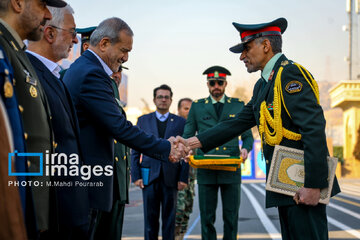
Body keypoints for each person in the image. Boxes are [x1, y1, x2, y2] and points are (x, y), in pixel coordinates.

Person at [184, 18, 341, 240]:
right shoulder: (263, 84)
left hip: (303, 184)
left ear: (266, 46)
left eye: (246, 48)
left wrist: (314, 186)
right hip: (287, 184)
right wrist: (192, 143)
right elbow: (238, 123)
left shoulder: (290, 75)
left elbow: (313, 130)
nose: (241, 56)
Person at [62, 17, 188, 238]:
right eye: (124, 50)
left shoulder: (85, 69)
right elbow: (119, 127)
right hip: (90, 182)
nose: (126, 57)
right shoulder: (92, 73)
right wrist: (166, 148)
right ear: (103, 44)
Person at [0, 0, 66, 238]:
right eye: (42, 5)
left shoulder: (17, 52)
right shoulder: (4, 49)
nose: (48, 14)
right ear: (17, 3)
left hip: (32, 198)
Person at [26, 5, 90, 239]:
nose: (75, 41)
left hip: (70, 207)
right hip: (54, 212)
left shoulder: (54, 75)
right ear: (50, 33)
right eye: (72, 33)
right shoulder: (28, 75)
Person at [183, 66, 253, 240]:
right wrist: (186, 149)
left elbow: (248, 136)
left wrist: (246, 148)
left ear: (225, 84)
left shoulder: (238, 105)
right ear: (207, 84)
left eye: (220, 82)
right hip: (205, 166)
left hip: (230, 167)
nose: (216, 86)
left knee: (231, 217)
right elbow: (188, 133)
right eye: (212, 82)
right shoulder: (197, 107)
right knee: (207, 217)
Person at [131, 84, 189, 240]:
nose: (163, 100)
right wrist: (136, 175)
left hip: (172, 177)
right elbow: (135, 150)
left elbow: (186, 153)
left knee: (169, 220)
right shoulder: (143, 120)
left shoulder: (180, 122)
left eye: (166, 97)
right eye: (160, 97)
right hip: (149, 176)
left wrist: (183, 177)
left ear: (171, 100)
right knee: (150, 220)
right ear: (154, 99)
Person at [94, 67, 131, 240]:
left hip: (117, 181)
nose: (117, 75)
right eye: (113, 69)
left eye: (120, 71)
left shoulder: (113, 94)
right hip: (99, 180)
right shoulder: (92, 85)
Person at [175, 97, 194, 240]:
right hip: (178, 179)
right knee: (178, 212)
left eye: (191, 108)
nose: (189, 111)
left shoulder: (195, 128)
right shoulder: (176, 128)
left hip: (191, 180)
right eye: (186, 108)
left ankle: (181, 237)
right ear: (179, 110)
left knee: (187, 211)